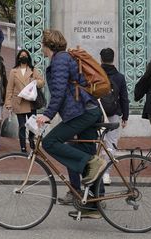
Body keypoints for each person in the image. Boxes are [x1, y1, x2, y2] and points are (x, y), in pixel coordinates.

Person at [36, 29, 105, 219]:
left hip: (83, 112)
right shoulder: (64, 58)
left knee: (50, 143)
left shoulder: (59, 60)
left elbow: (58, 92)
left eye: (42, 44)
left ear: (47, 45)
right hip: (88, 110)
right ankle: (94, 205)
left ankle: (92, 163)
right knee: (86, 152)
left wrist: (47, 115)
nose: (41, 48)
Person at [98, 47, 129, 184]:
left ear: (101, 59)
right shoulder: (119, 77)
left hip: (98, 113)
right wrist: (125, 116)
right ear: (113, 58)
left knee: (97, 144)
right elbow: (124, 98)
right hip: (114, 113)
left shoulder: (96, 74)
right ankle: (106, 174)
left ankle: (96, 172)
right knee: (111, 144)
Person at [4, 48, 44, 153]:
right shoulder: (14, 71)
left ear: (28, 57)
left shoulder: (33, 70)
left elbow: (42, 82)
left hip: (31, 102)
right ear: (18, 58)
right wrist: (8, 102)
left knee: (32, 125)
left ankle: (31, 141)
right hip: (19, 102)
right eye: (21, 55)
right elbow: (10, 88)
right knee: (22, 126)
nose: (23, 57)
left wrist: (35, 81)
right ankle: (22, 146)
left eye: (25, 55)